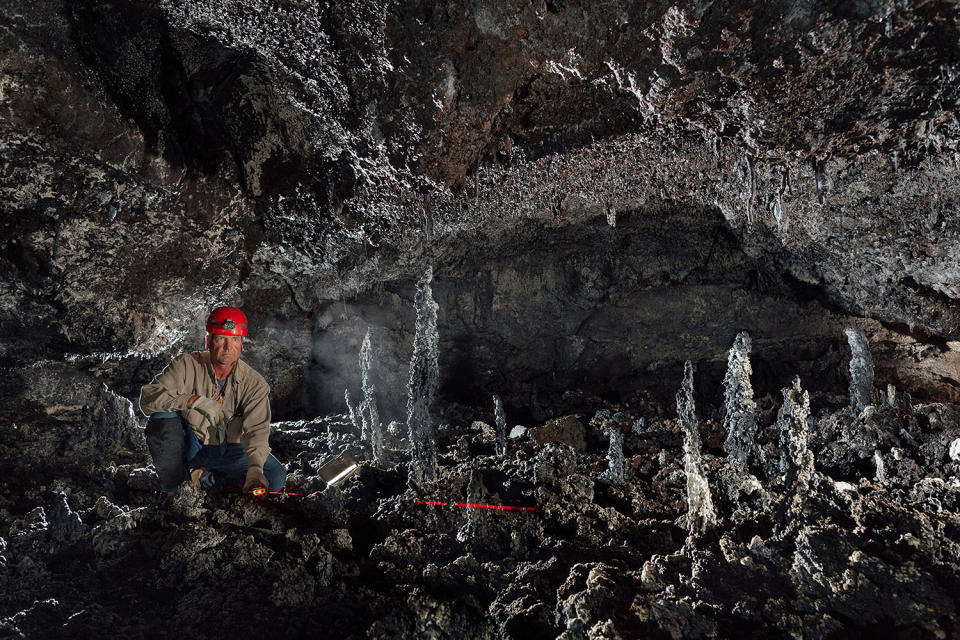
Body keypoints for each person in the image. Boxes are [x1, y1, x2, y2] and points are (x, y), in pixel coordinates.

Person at [139, 306, 286, 494]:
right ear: (209, 340)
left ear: (242, 343)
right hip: (191, 443)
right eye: (221, 339)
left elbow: (257, 431)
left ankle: (206, 478)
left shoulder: (255, 383)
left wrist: (256, 469)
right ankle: (174, 488)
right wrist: (193, 401)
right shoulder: (186, 365)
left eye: (234, 339)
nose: (228, 347)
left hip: (229, 449)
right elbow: (148, 399)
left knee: (275, 477)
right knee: (161, 415)